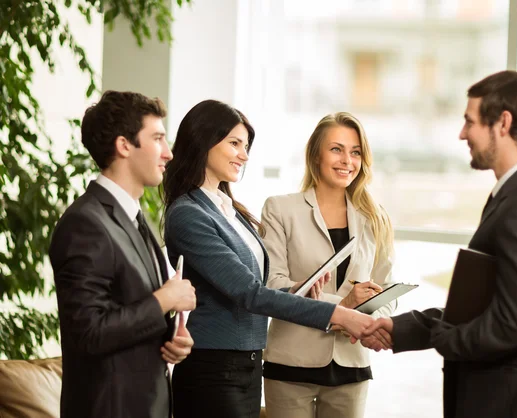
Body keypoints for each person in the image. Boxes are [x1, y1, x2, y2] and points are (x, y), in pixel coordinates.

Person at [363, 70, 517, 418]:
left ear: (503, 123)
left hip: (510, 402)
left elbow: (514, 324)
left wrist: (443, 340)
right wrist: (403, 329)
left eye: (470, 121)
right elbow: (484, 306)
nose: (462, 133)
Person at [162, 100, 376, 418]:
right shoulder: (188, 213)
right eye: (234, 143)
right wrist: (339, 314)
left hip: (245, 365)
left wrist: (295, 290)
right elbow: (249, 293)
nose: (244, 155)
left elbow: (257, 284)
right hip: (213, 368)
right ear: (203, 141)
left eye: (245, 145)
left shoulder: (230, 209)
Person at [49, 91, 197, 418]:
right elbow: (89, 333)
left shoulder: (135, 217)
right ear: (124, 145)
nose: (168, 153)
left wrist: (173, 336)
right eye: (157, 138)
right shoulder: (84, 224)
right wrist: (164, 300)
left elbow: (133, 309)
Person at [260, 112, 397, 418]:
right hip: (291, 363)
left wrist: (374, 325)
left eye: (356, 151)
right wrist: (343, 307)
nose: (347, 160)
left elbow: (387, 288)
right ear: (315, 155)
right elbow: (273, 286)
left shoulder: (376, 218)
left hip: (352, 364)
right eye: (336, 149)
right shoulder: (280, 209)